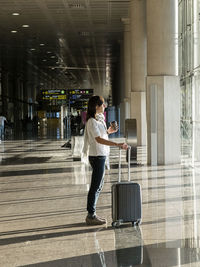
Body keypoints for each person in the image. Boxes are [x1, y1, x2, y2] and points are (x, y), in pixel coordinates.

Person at [82, 95, 128, 226]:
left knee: (99, 186)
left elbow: (102, 135)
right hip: (97, 157)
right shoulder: (91, 121)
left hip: (101, 156)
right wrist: (118, 144)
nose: (104, 106)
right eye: (102, 104)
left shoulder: (99, 120)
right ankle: (91, 215)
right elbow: (99, 140)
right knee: (95, 186)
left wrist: (110, 131)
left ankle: (92, 214)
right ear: (96, 106)